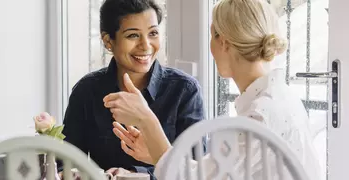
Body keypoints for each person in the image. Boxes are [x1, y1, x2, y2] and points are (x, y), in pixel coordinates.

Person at [105, 0, 322, 179]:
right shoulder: (279, 100)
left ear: (224, 42)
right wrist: (154, 155)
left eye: (212, 35)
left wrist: (146, 119)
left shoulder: (260, 117)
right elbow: (211, 173)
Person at [60, 0, 205, 179]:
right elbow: (65, 161)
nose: (145, 45)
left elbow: (196, 168)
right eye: (133, 35)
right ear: (108, 41)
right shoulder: (87, 90)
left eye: (153, 33)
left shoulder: (185, 90)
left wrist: (136, 174)